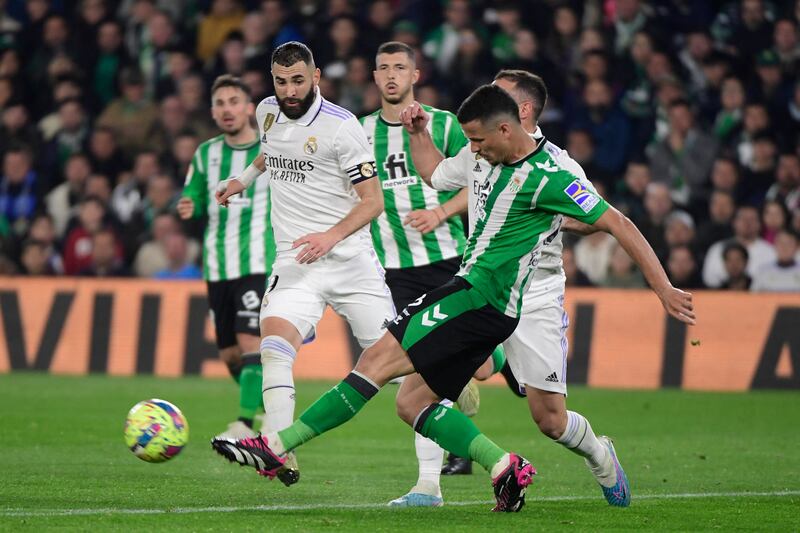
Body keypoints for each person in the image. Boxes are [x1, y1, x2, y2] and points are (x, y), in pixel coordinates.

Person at [212, 84, 695, 512]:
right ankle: (504, 465)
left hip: (489, 297)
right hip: (479, 297)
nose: (474, 151)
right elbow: (438, 175)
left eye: (480, 141)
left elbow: (616, 222)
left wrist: (663, 288)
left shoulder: (553, 174)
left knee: (379, 362)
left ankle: (277, 444)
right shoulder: (484, 151)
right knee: (412, 401)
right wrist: (420, 134)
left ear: (510, 125)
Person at [213, 42, 396, 487]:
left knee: (401, 373)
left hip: (352, 265)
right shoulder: (267, 112)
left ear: (316, 77)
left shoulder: (342, 127)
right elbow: (271, 150)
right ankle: (279, 451)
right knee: (274, 347)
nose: (290, 90)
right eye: (281, 81)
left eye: (298, 80)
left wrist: (330, 236)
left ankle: (431, 481)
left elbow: (373, 203)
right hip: (295, 264)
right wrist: (244, 178)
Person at [360, 41, 510, 505]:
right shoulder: (361, 131)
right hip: (397, 269)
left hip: (450, 259)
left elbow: (481, 181)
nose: (391, 75)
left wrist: (442, 212)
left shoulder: (443, 124)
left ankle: (496, 358)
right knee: (413, 377)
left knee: (481, 369)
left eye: (399, 67)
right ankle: (428, 485)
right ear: (374, 76)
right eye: (383, 68)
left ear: (415, 75)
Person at [178, 75, 274, 442]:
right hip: (218, 266)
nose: (227, 109)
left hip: (258, 261)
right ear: (213, 112)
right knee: (232, 356)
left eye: (234, 101)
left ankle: (245, 425)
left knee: (250, 341)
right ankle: (268, 409)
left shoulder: (271, 148)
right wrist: (189, 205)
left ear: (249, 108)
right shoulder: (206, 154)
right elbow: (195, 196)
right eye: (220, 103)